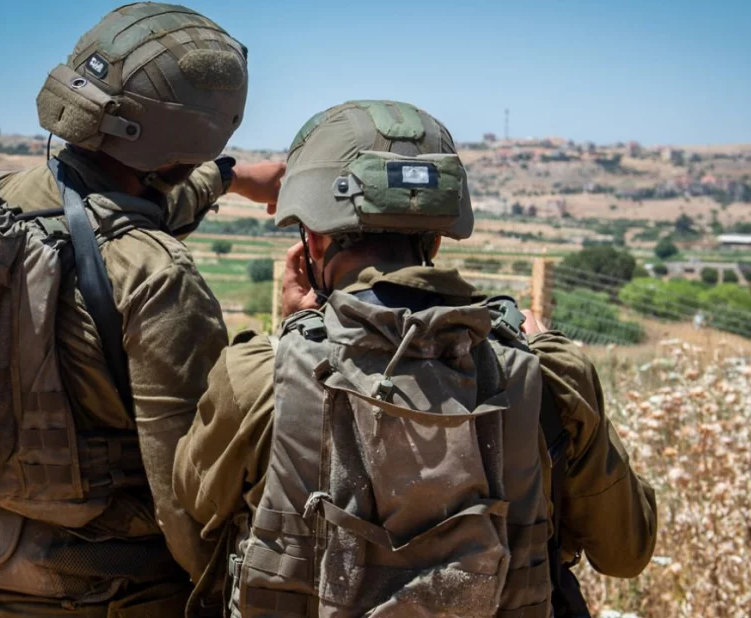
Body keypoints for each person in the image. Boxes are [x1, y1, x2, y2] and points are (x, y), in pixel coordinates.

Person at [172, 100, 658, 617]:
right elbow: (627, 551)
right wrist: (549, 359)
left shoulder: (259, 376)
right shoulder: (546, 375)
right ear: (437, 240)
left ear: (311, 241)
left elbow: (194, 509)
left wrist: (295, 336)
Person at [0, 4, 284, 616]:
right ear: (194, 139)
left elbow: (115, 207)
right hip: (110, 600)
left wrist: (230, 177)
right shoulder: (156, 275)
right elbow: (186, 506)